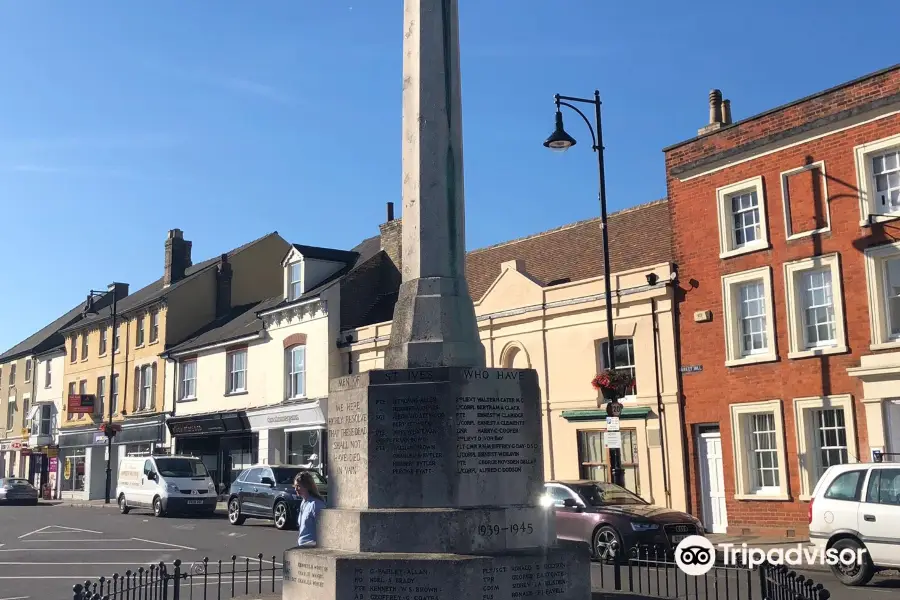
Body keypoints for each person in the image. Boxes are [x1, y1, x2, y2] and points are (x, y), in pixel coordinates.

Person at [294, 471, 325, 547]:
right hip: (302, 546)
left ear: (307, 486)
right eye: (294, 486)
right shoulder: (304, 502)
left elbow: (324, 528)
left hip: (311, 546)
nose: (296, 489)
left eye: (298, 486)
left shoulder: (316, 504)